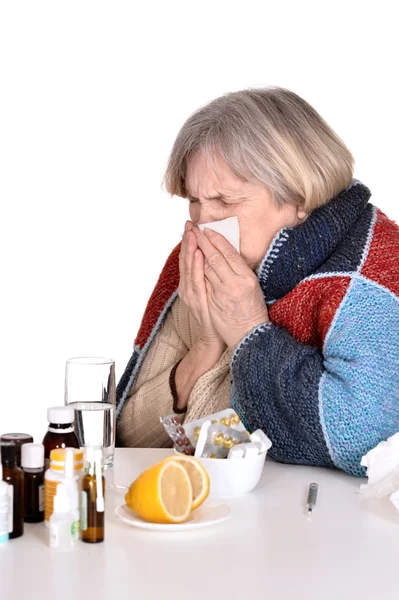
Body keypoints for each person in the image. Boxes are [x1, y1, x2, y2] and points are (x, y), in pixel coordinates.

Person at [116, 86, 399, 476]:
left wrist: (250, 330)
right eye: (194, 201)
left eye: (226, 202)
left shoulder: (372, 270)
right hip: (230, 519)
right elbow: (127, 437)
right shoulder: (201, 263)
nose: (202, 222)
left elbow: (364, 440)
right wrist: (206, 346)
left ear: (299, 197)